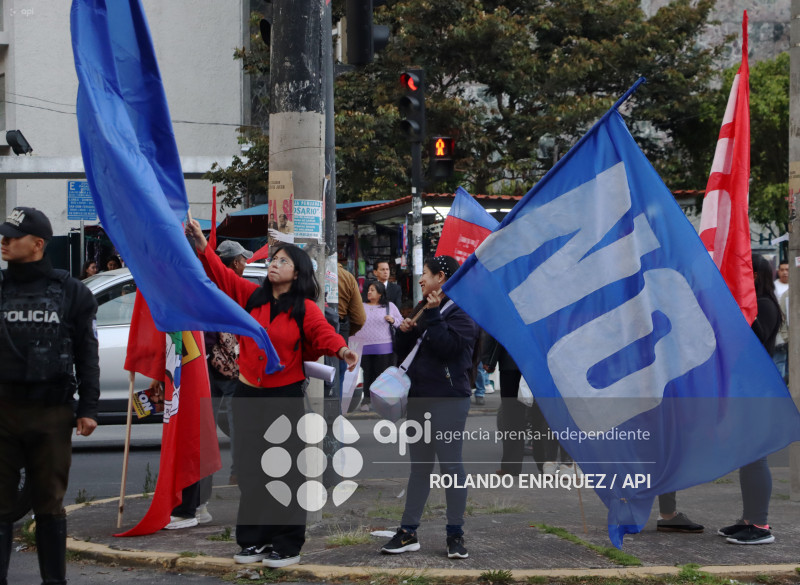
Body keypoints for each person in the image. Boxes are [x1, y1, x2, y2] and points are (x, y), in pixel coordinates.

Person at [186, 219, 358, 568]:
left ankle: (287, 543)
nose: (274, 264)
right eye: (273, 260)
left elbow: (323, 333)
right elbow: (221, 277)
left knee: (285, 471)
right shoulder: (253, 297)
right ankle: (254, 540)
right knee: (251, 471)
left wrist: (342, 351)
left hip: (285, 398)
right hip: (248, 395)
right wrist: (203, 246)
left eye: (282, 261)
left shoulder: (304, 308)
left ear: (297, 274)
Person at [0, 207, 99, 585]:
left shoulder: (72, 291)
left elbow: (85, 354)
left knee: (49, 505)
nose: (5, 241)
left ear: (38, 244)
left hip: (51, 412)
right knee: (1, 507)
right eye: (4, 234)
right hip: (3, 410)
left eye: (13, 235)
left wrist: (88, 408)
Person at [381, 255, 478, 560]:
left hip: (449, 399)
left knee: (451, 468)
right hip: (420, 397)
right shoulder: (425, 309)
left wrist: (433, 317)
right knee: (420, 469)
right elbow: (408, 355)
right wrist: (405, 332)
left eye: (425, 274)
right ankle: (408, 532)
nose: (420, 279)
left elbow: (449, 348)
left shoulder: (463, 312)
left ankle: (455, 534)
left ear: (442, 277)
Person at [718, 253, 781, 545]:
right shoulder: (753, 305)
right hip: (746, 389)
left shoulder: (766, 306)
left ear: (755, 275)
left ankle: (760, 524)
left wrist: (739, 311)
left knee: (756, 458)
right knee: (748, 458)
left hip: (759, 391)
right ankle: (748, 520)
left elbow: (754, 339)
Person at [205, 239, 254, 486]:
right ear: (235, 263)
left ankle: (203, 481)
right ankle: (237, 472)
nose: (246, 263)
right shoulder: (236, 287)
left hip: (206, 360)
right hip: (232, 364)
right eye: (244, 259)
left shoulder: (206, 283)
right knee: (238, 423)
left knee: (206, 424)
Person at [351, 281, 403, 412]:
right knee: (367, 375)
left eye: (372, 290)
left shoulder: (389, 306)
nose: (369, 292)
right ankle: (367, 401)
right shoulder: (361, 306)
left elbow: (401, 322)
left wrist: (393, 320)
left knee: (382, 376)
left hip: (384, 347)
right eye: (368, 289)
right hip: (365, 347)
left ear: (380, 293)